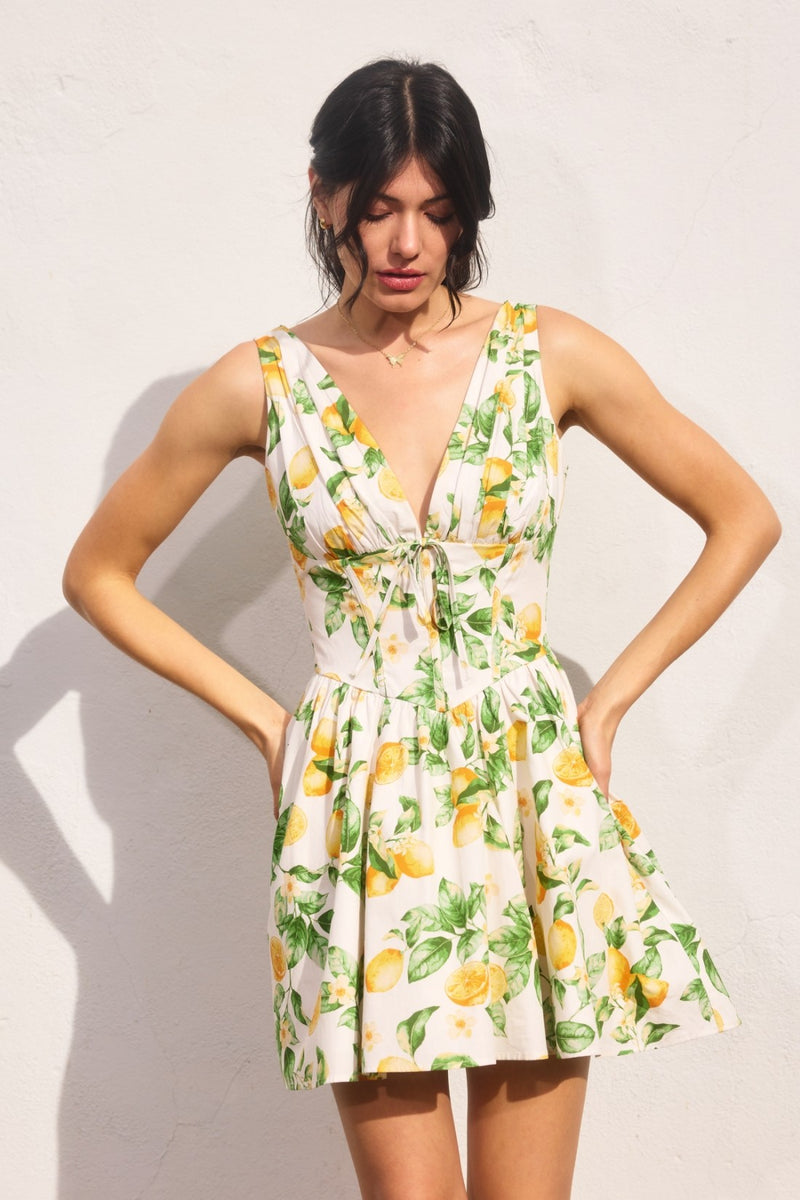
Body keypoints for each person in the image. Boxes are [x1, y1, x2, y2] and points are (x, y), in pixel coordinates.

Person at [63, 58, 780, 1200]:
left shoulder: (549, 353)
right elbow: (97, 573)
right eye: (380, 208)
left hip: (528, 788)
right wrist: (268, 724)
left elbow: (743, 517)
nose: (407, 242)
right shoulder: (262, 383)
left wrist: (605, 704)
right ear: (324, 197)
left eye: (438, 213)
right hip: (358, 807)